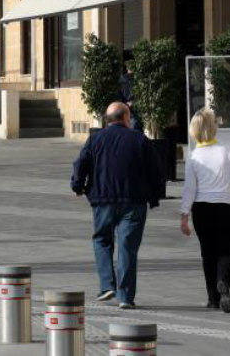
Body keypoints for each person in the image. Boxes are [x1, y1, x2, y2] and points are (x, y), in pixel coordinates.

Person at [71, 102, 164, 309]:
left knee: (102, 240)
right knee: (128, 247)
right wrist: (155, 196)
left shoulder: (95, 139)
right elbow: (156, 170)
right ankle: (125, 297)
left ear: (108, 119)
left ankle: (107, 286)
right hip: (134, 201)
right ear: (125, 118)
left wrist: (78, 186)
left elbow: (81, 164)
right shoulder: (139, 139)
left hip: (102, 200)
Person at [180, 108, 230, 313]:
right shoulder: (228, 151)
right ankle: (223, 282)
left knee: (208, 254)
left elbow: (189, 189)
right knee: (228, 251)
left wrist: (184, 216)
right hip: (229, 208)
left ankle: (212, 299)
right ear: (213, 128)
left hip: (203, 210)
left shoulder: (193, 157)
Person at [119, 60, 144, 131]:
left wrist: (124, 104)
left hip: (125, 107)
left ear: (127, 68)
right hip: (136, 107)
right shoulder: (138, 79)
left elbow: (119, 94)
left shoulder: (121, 80)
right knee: (136, 127)